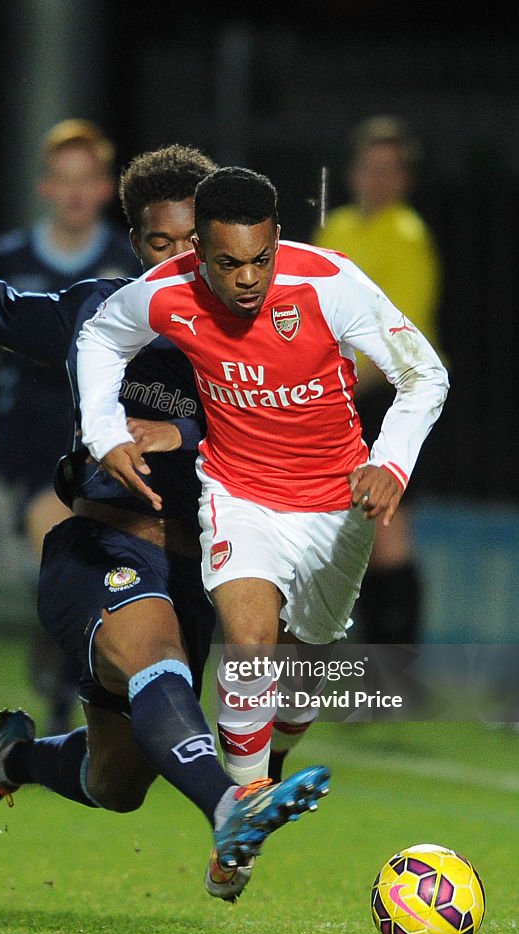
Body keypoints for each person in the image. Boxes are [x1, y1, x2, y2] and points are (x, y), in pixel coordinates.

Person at [0, 148, 330, 903]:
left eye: (194, 245)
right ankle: (231, 810)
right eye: (161, 244)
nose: (179, 260)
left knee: (119, 781)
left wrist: (187, 438)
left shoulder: (252, 343)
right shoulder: (100, 314)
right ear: (137, 248)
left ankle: (18, 762)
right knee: (157, 658)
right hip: (103, 547)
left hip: (201, 570)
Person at [74, 166, 449, 784]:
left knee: (302, 677)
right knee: (249, 649)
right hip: (239, 492)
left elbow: (424, 375)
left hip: (335, 503)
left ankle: (267, 766)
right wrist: (105, 432)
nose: (248, 279)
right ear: (199, 249)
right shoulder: (165, 291)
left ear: (278, 236)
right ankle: (239, 821)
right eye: (228, 264)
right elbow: (99, 339)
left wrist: (389, 462)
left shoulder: (330, 283)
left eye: (261, 259)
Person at [0, 119, 137, 735]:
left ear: (105, 189)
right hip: (31, 437)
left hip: (107, 439)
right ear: (45, 188)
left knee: (103, 571)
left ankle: (79, 677)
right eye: (64, 181)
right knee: (65, 553)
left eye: (88, 181)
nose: (76, 193)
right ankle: (64, 695)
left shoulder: (129, 261)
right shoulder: (6, 259)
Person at [313, 116, 444, 646]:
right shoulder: (337, 228)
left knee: (387, 533)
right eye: (371, 168)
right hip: (344, 392)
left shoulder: (407, 236)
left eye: (391, 171)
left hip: (390, 397)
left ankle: (397, 671)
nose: (379, 180)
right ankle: (369, 664)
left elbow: (399, 347)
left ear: (405, 180)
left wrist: (327, 389)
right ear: (353, 174)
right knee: (353, 532)